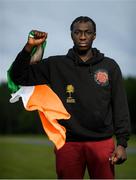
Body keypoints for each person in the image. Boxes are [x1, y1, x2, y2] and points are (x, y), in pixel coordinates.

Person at [10, 16, 131, 179]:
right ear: (71, 35)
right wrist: (28, 47)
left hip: (102, 142)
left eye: (87, 32)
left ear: (94, 35)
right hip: (67, 143)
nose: (82, 37)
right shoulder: (55, 64)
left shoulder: (109, 66)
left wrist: (122, 143)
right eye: (78, 32)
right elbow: (19, 77)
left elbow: (120, 106)